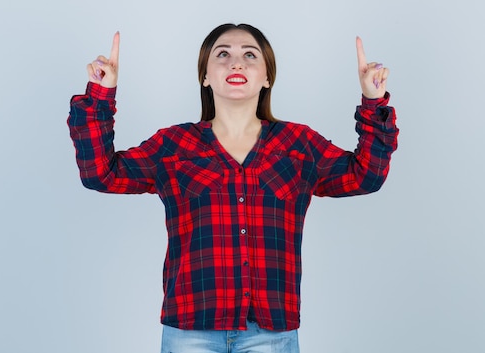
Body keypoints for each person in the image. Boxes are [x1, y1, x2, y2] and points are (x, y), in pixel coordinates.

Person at [68, 24, 399, 353]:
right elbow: (101, 173)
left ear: (267, 76)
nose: (236, 63)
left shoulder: (298, 145)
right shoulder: (173, 145)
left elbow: (365, 175)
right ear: (205, 76)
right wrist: (101, 95)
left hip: (271, 332)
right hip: (190, 329)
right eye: (222, 54)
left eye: (250, 55)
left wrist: (373, 101)